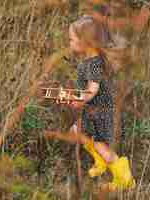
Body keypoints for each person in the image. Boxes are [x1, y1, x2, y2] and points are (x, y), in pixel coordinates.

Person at [44, 14, 135, 191]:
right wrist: (71, 96)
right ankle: (100, 162)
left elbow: (91, 92)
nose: (69, 43)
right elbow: (87, 93)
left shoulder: (94, 64)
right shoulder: (88, 62)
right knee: (77, 132)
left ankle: (125, 180)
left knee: (101, 145)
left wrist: (76, 99)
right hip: (93, 110)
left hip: (102, 112)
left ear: (86, 42)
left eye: (72, 39)